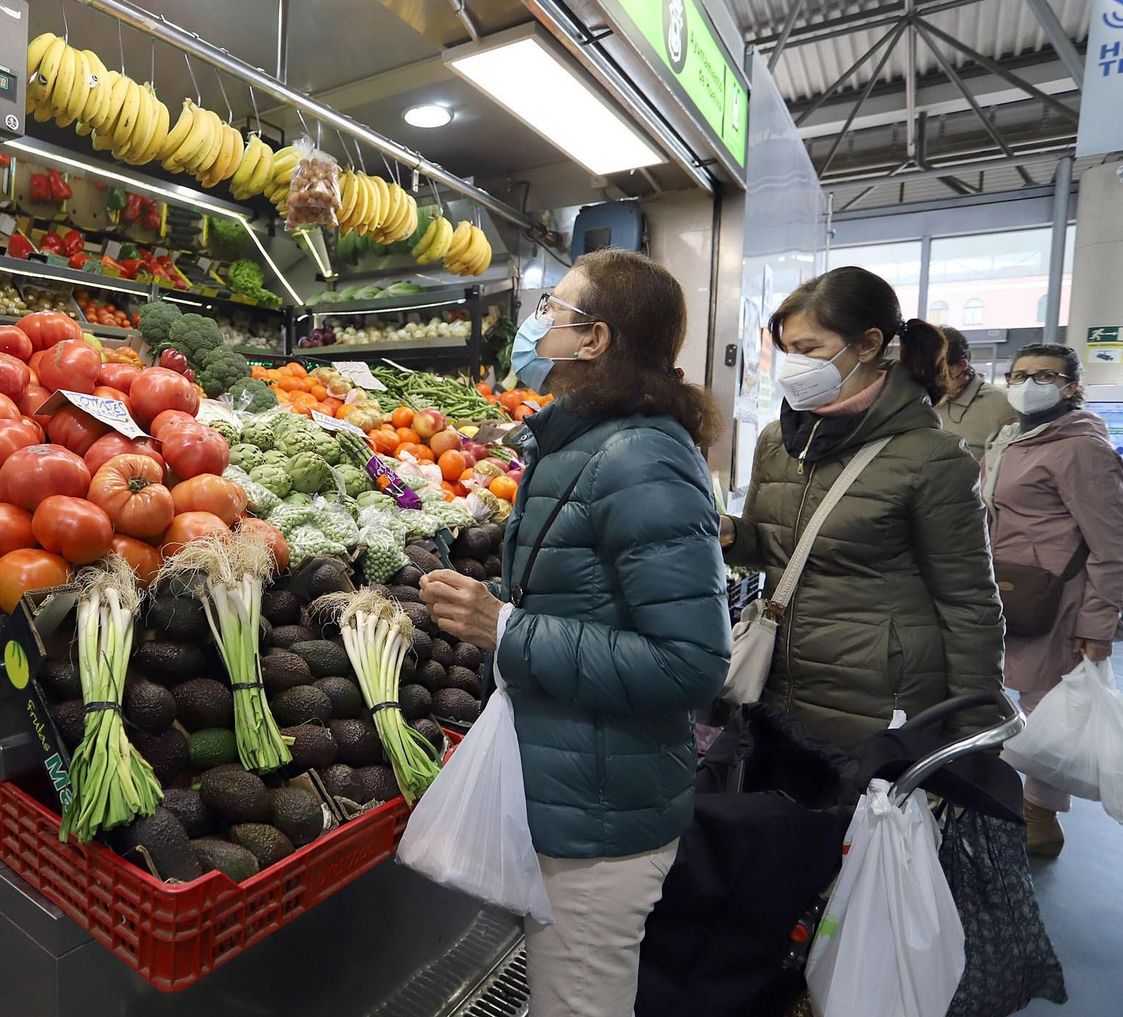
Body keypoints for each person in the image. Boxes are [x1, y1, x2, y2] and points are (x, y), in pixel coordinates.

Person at [420, 249, 730, 1017]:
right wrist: (491, 602)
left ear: (593, 339)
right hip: (571, 790)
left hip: (603, 816)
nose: (536, 322)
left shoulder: (640, 456)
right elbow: (590, 602)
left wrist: (507, 626)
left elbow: (691, 663)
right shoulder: (584, 442)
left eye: (551, 308)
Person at [721, 267, 1004, 757]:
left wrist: (974, 734)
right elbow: (778, 545)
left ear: (870, 344)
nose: (792, 365)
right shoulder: (778, 441)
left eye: (808, 349)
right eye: (787, 351)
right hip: (778, 684)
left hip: (877, 703)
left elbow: (969, 604)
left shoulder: (931, 457)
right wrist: (730, 533)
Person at [982, 343, 1123, 857]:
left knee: (1048, 706)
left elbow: (1112, 543)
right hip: (1010, 586)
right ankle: (1006, 800)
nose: (1028, 383)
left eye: (1044, 374)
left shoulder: (1082, 447)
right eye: (1019, 373)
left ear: (1071, 386)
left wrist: (1098, 623)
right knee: (1008, 696)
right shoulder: (1013, 439)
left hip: (1059, 597)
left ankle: (1040, 816)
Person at [937, 326, 1017, 460]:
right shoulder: (917, 400)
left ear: (960, 366)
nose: (923, 377)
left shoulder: (1003, 405)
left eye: (935, 370)